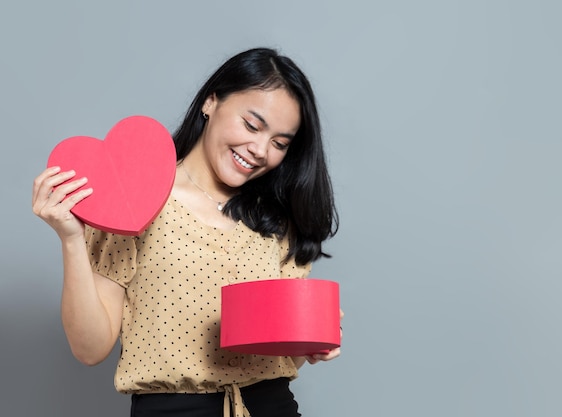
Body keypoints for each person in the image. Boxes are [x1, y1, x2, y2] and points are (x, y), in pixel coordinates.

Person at [32, 47, 342, 417]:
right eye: (252, 125)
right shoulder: (135, 200)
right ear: (211, 101)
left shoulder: (276, 218)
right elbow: (90, 349)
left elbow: (279, 351)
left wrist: (310, 341)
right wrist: (71, 239)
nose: (259, 150)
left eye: (279, 143)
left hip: (269, 405)